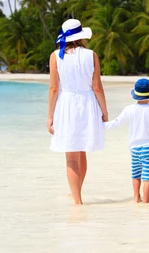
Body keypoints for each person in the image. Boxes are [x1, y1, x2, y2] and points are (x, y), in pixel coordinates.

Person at [48, 19, 109, 205]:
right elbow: (97, 87)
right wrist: (104, 111)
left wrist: (50, 116)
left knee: (71, 157)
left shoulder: (56, 56)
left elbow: (53, 88)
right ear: (81, 36)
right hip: (88, 103)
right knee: (81, 151)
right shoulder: (92, 55)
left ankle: (77, 200)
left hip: (66, 104)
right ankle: (77, 195)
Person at [104, 78, 149, 203]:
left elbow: (115, 124)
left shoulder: (129, 109)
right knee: (147, 178)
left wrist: (99, 125)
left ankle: (136, 198)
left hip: (134, 148)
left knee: (136, 174)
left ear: (135, 95)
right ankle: (146, 203)